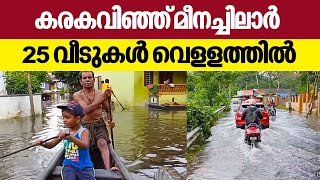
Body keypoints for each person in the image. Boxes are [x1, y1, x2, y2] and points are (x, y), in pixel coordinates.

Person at [35, 101, 95, 180]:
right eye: (63, 117)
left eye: (67, 117)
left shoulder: (84, 131)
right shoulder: (63, 132)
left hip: (85, 166)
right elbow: (51, 145)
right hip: (69, 166)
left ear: (77, 119)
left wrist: (71, 137)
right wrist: (42, 143)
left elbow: (84, 146)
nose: (64, 120)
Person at [72, 71, 117, 171]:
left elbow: (108, 110)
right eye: (84, 78)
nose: (87, 80)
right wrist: (102, 98)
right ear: (81, 81)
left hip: (99, 124)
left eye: (89, 77)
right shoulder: (77, 95)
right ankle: (81, 168)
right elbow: (85, 110)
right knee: (83, 146)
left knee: (102, 143)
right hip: (84, 125)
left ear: (93, 80)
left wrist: (111, 121)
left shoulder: (101, 94)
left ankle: (108, 169)